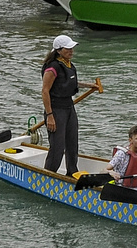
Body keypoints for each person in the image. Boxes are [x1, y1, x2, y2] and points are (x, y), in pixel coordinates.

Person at [40, 34, 99, 176]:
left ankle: (72, 172)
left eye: (72, 48)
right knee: (57, 146)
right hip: (56, 109)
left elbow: (69, 83)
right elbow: (45, 91)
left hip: (69, 108)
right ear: (59, 50)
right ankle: (49, 173)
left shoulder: (68, 64)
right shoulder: (53, 67)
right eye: (68, 48)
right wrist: (50, 116)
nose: (72, 51)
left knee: (72, 143)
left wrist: (89, 85)